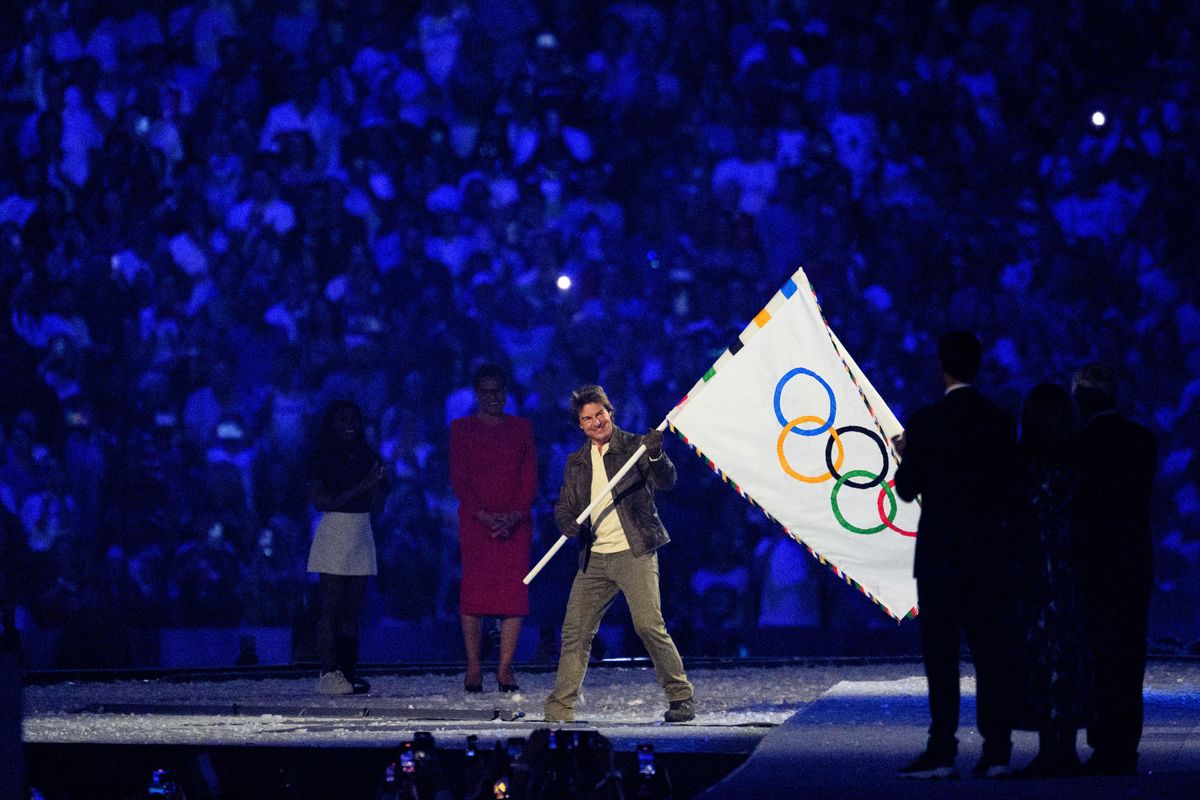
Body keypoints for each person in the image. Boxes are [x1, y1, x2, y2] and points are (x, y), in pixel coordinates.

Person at [893, 331, 1020, 779]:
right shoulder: (1001, 422)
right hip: (988, 554)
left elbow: (906, 491)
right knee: (991, 654)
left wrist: (906, 455)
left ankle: (942, 750)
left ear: (942, 368)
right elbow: (1012, 492)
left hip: (940, 557)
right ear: (978, 366)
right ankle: (998, 751)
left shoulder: (927, 422)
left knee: (941, 658)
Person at [544, 384, 694, 724]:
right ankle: (560, 707)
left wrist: (656, 454)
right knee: (575, 631)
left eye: (601, 414)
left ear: (611, 413)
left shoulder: (635, 447)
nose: (597, 422)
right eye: (588, 418)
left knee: (647, 625)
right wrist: (567, 522)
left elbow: (667, 480)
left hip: (635, 550)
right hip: (594, 558)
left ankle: (681, 698)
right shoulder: (577, 462)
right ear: (580, 425)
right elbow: (565, 506)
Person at [1069, 364, 1158, 776]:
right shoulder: (1143, 441)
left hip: (1095, 566)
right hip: (1134, 564)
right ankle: (1127, 745)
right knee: (1129, 655)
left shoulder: (1080, 445)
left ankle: (1106, 744)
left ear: (1082, 399)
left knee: (1101, 655)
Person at [1011, 383, 1092, 777]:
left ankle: (1049, 746)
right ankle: (1068, 747)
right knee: (1068, 655)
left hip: (1035, 572)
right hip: (1069, 569)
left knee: (1042, 656)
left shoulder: (1024, 462)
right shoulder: (1078, 459)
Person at [449, 364, 537, 692]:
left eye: (497, 391)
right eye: (485, 392)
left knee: (512, 595)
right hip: (476, 523)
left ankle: (504, 669)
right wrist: (484, 515)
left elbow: (529, 475)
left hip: (515, 525)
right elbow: (460, 477)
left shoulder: (521, 429)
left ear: (505, 392)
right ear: (476, 394)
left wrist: (514, 515)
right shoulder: (461, 429)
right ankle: (474, 667)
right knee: (474, 595)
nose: (492, 398)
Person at [305, 400, 387, 695]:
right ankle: (328, 672)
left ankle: (347, 671)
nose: (348, 425)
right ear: (331, 424)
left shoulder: (368, 455)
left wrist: (375, 484)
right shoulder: (320, 458)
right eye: (341, 420)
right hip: (335, 529)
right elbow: (322, 502)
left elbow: (377, 502)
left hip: (361, 530)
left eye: (353, 419)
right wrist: (363, 485)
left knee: (353, 610)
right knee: (331, 607)